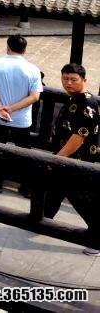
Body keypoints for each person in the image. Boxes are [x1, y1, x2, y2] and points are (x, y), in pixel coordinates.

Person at [45, 63, 100, 255]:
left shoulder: (88, 103)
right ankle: (42, 220)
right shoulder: (74, 98)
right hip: (66, 158)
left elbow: (79, 136)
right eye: (65, 79)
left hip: (76, 160)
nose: (68, 83)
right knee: (54, 190)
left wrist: (59, 157)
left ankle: (97, 240)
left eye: (73, 80)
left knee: (81, 199)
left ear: (84, 80)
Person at [0, 34, 42, 192]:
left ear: (8, 47)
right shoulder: (33, 69)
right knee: (23, 151)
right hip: (21, 118)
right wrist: (12, 108)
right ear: (25, 49)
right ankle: (25, 186)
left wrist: (0, 108)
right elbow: (34, 97)